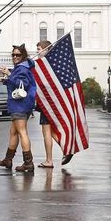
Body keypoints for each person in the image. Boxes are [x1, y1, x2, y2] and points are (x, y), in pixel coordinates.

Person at [0, 44, 37, 172]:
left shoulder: (22, 68)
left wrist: (8, 73)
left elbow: (22, 84)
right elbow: (17, 83)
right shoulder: (22, 67)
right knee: (13, 132)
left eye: (18, 55)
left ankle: (28, 163)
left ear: (23, 56)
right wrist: (7, 80)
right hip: (20, 104)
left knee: (22, 132)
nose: (15, 57)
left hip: (20, 104)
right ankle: (8, 160)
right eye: (13, 55)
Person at [34, 40, 73, 168]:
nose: (37, 52)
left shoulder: (44, 65)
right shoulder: (53, 64)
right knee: (50, 132)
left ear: (46, 50)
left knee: (46, 133)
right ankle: (66, 149)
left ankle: (49, 160)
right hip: (51, 103)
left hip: (47, 103)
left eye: (39, 49)